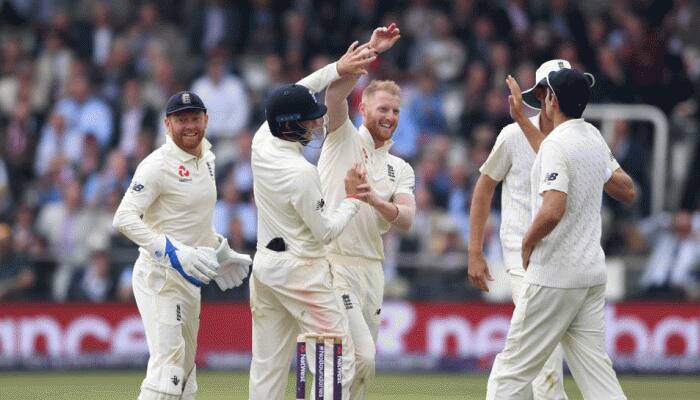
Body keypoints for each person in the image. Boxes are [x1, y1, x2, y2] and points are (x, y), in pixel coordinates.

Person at [468, 60, 635, 399]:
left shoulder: (558, 145)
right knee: (597, 375)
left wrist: (529, 242)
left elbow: (553, 208)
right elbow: (489, 184)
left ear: (550, 99)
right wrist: (475, 251)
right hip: (589, 271)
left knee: (510, 373)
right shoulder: (590, 137)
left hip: (550, 268)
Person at [248, 41, 377, 399]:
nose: (317, 122)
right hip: (302, 271)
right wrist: (352, 199)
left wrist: (340, 67)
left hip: (266, 267)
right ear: (290, 126)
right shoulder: (299, 172)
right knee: (336, 358)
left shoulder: (262, 141)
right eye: (310, 119)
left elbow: (301, 90)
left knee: (268, 368)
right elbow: (326, 233)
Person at [113, 91, 252, 400]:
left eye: (194, 118)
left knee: (186, 375)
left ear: (206, 119)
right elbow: (123, 218)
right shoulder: (157, 165)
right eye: (181, 120)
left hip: (190, 280)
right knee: (169, 371)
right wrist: (170, 250)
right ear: (167, 123)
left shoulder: (209, 157)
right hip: (159, 276)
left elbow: (193, 220)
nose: (189, 126)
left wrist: (220, 250)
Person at [319, 23, 415, 400]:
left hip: (371, 269)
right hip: (332, 263)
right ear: (363, 108)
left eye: (395, 110)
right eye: (382, 108)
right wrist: (371, 52)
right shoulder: (341, 136)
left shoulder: (399, 168)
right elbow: (333, 95)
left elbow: (406, 221)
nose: (389, 116)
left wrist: (374, 198)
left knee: (354, 367)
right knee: (359, 358)